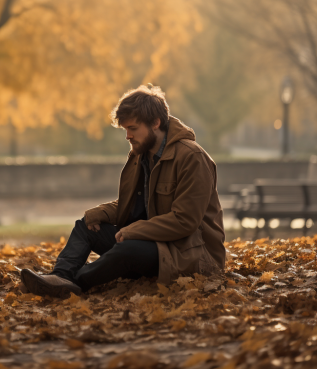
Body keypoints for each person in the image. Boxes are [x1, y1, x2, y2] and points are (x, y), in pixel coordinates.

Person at [20, 85, 225, 298]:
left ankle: (73, 284)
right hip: (154, 242)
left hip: (190, 252)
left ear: (155, 123)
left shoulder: (192, 158)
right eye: (125, 129)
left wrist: (133, 231)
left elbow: (185, 221)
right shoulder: (141, 155)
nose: (128, 136)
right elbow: (135, 205)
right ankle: (60, 276)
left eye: (133, 128)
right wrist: (100, 213)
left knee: (127, 249)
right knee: (85, 226)